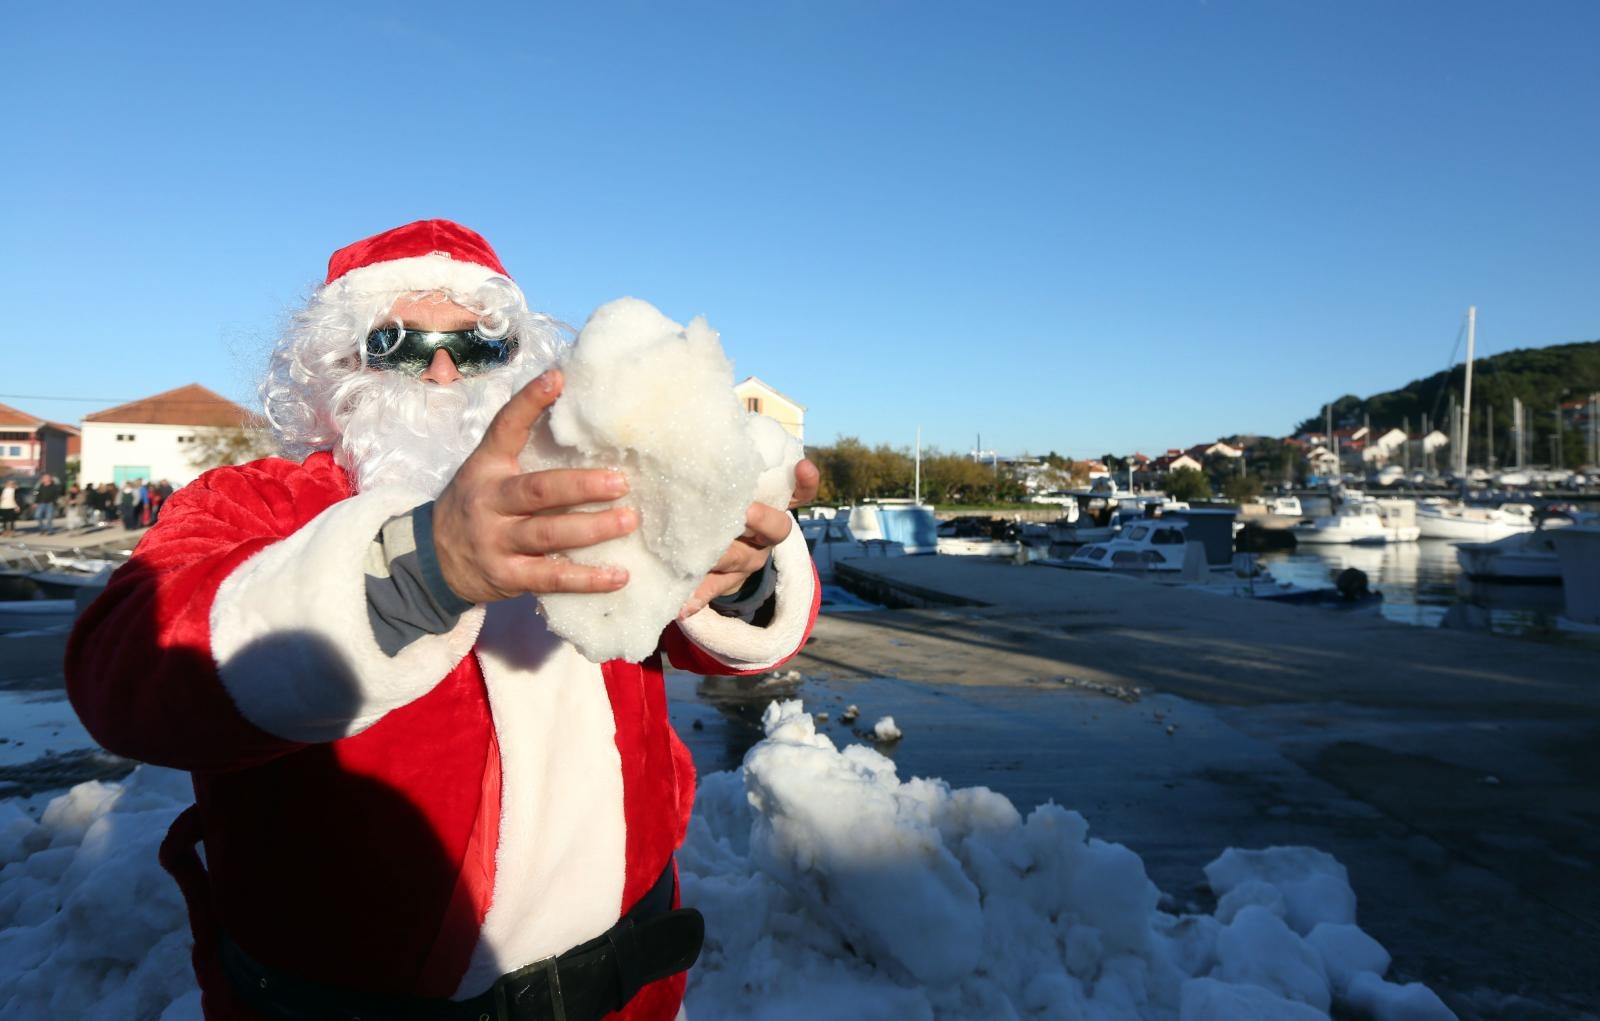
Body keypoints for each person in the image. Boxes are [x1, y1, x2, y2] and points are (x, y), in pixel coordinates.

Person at [67, 219, 819, 1021]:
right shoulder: (259, 502)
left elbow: (716, 640)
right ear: (337, 365)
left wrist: (736, 565)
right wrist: (420, 571)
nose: (440, 368)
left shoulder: (582, 483)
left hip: (629, 991)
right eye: (397, 340)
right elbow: (127, 674)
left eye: (480, 343)